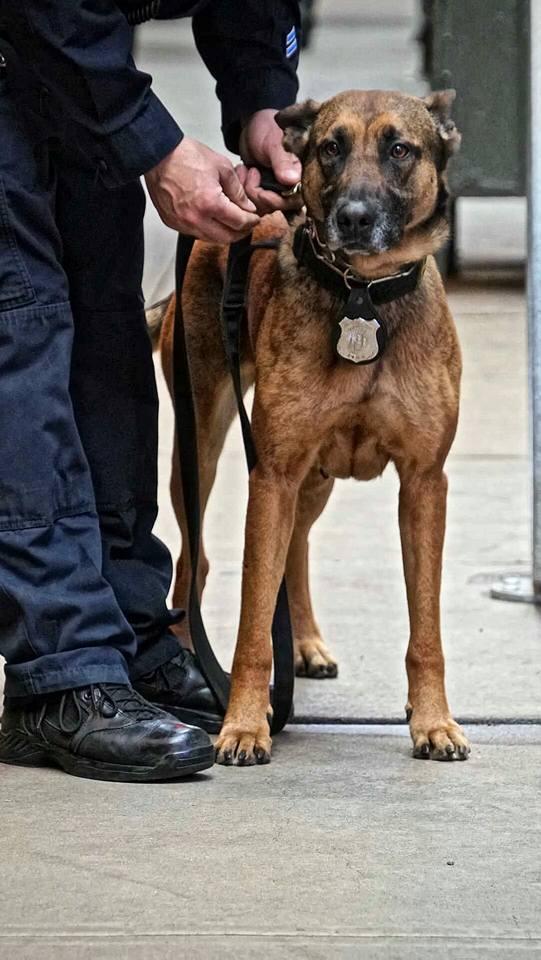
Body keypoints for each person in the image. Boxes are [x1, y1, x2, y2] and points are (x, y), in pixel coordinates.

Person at [0, 0, 302, 782]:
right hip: (32, 41)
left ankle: (126, 628)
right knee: (22, 340)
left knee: (105, 336)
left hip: (72, 74)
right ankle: (60, 672)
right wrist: (155, 144)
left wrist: (261, 98)